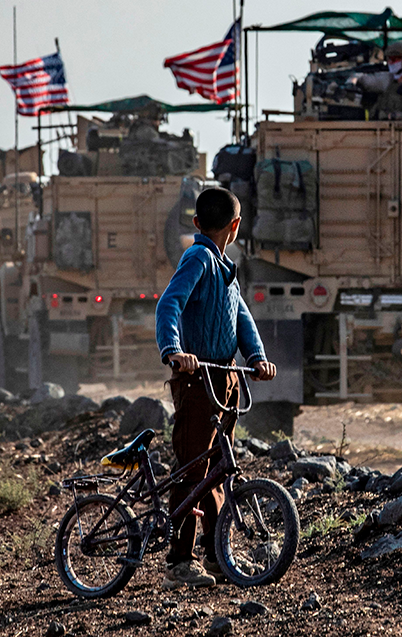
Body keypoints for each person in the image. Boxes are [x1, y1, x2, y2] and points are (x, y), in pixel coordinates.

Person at [155, 187, 277, 590]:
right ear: (236, 226)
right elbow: (169, 304)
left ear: (196, 222)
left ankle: (215, 552)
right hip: (196, 376)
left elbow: (241, 317)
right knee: (193, 467)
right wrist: (174, 349)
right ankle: (180, 560)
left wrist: (256, 358)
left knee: (218, 468)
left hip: (224, 376)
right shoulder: (198, 258)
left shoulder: (225, 267)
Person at [351, 40, 402, 122]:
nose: (391, 62)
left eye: (395, 59)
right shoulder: (388, 78)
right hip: (383, 131)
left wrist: (394, 117)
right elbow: (365, 81)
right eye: (389, 59)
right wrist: (353, 80)